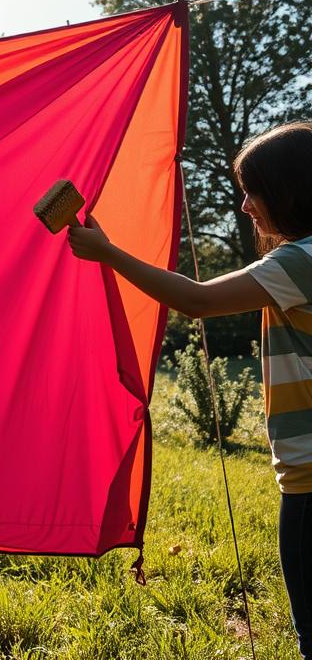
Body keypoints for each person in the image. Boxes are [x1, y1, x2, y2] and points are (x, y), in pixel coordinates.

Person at [67, 121, 312, 658]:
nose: (246, 206)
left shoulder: (300, 261)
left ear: (290, 191)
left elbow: (197, 300)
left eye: (254, 191)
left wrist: (108, 254)